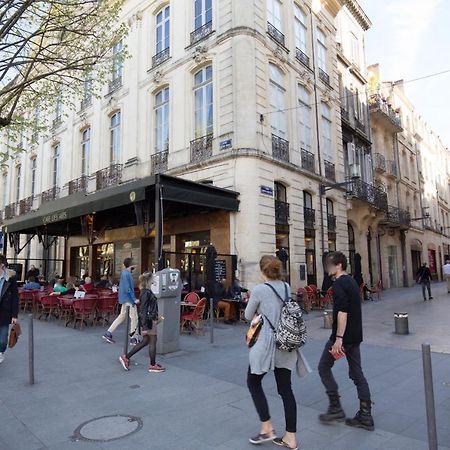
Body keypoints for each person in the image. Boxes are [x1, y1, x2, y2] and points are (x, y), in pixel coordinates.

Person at [245, 255, 301, 450]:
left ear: (262, 271)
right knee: (286, 390)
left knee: (253, 382)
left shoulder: (260, 289)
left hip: (265, 344)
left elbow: (246, 315)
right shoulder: (285, 287)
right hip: (286, 342)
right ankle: (291, 437)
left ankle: (267, 427)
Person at [318, 251, 374, 431]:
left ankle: (335, 408)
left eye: (329, 263)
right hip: (355, 336)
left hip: (344, 338)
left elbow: (342, 312)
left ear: (339, 265)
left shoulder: (340, 283)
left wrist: (338, 339)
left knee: (323, 367)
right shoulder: (350, 281)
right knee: (357, 373)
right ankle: (365, 415)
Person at [119, 272, 165, 373]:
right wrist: (145, 327)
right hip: (149, 320)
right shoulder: (145, 292)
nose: (155, 279)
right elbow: (143, 310)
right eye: (153, 278)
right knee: (153, 340)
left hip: (149, 319)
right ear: (149, 280)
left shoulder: (146, 291)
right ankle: (152, 365)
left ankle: (126, 357)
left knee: (145, 341)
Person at [103, 258, 139, 344]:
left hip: (124, 298)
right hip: (129, 299)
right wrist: (134, 299)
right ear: (131, 265)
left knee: (122, 316)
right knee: (134, 318)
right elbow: (128, 288)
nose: (135, 265)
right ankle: (133, 338)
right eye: (134, 264)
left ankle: (108, 332)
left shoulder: (124, 273)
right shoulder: (128, 274)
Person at [0, 254, 19, 364]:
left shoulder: (11, 279)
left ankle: (1, 352)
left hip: (4, 312)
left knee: (2, 338)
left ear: (2, 265)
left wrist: (14, 315)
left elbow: (15, 298)